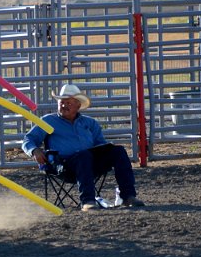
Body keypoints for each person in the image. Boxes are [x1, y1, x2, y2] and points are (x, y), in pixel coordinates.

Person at [22, 83, 145, 211]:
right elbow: (28, 139)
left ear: (78, 105)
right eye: (62, 102)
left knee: (118, 151)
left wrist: (106, 149)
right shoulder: (48, 121)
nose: (64, 105)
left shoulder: (90, 123)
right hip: (64, 166)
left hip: (90, 164)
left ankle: (128, 196)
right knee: (83, 155)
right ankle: (87, 201)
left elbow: (100, 145)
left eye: (68, 103)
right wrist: (34, 150)